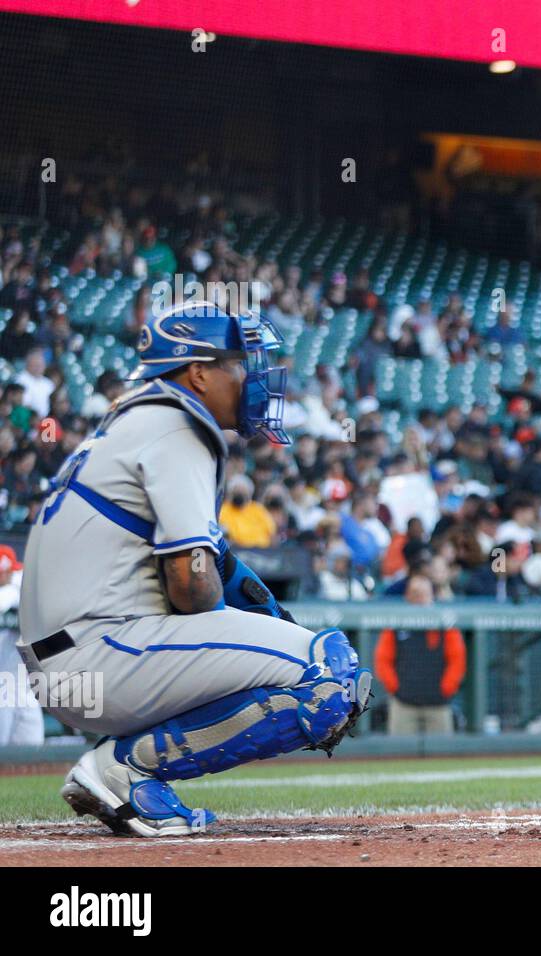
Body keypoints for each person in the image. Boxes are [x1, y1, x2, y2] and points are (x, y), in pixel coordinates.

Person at [16, 301, 371, 837]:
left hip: (74, 664)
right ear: (198, 372)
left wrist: (261, 617)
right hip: (105, 653)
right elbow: (189, 588)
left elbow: (212, 564)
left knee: (291, 648)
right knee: (332, 676)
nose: (253, 377)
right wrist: (250, 631)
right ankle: (125, 769)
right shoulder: (179, 424)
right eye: (239, 363)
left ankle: (121, 761)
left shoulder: (135, 421)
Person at [373, 575, 466, 735]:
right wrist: (396, 688)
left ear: (432, 596)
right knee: (400, 754)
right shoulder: (396, 624)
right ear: (408, 596)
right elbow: (383, 660)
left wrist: (446, 688)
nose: (420, 598)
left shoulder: (444, 623)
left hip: (438, 703)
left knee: (442, 754)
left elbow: (457, 660)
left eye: (424, 593)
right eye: (415, 593)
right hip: (404, 703)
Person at [0, 545, 43, 746]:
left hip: (24, 686)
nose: (9, 575)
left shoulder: (16, 587)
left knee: (33, 748)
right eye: (5, 572)